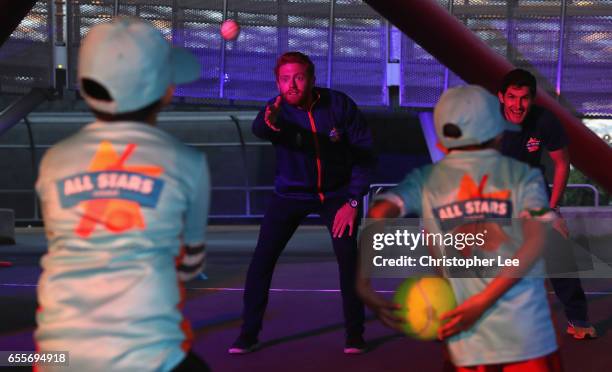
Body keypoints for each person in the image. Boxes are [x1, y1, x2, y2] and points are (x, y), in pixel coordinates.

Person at [35, 18, 211, 372]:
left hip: (57, 357)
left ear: (87, 87)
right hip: (151, 357)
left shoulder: (55, 160)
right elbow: (192, 265)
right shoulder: (189, 163)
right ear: (166, 91)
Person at [358, 85, 562, 371]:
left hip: (465, 332)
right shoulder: (524, 177)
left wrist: (363, 283)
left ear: (442, 143)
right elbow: (535, 242)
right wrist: (483, 301)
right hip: (524, 331)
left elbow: (378, 213)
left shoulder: (424, 180)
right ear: (498, 135)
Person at [229, 51, 375, 355]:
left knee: (349, 260)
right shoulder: (276, 110)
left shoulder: (339, 105)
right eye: (285, 79)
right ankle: (248, 334)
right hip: (289, 196)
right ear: (277, 83)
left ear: (311, 79)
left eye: (298, 77)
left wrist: (352, 201)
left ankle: (355, 334)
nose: (292, 85)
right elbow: (262, 128)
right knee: (261, 262)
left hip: (337, 196)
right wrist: (269, 122)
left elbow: (365, 154)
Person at [498, 68, 596, 339]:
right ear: (501, 98)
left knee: (556, 241)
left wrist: (553, 210)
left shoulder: (545, 121)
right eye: (512, 97)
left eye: (524, 98)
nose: (518, 105)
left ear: (532, 99)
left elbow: (562, 163)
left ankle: (578, 319)